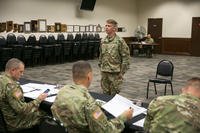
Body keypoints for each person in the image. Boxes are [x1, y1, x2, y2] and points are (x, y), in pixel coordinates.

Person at [51, 60, 133, 133]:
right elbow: (107, 130)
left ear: (73, 76)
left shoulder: (62, 91)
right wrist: (124, 117)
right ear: (89, 76)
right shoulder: (89, 104)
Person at [0, 58, 48, 132]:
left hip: (5, 119)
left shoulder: (2, 79)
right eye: (20, 72)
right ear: (13, 70)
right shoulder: (11, 87)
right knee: (43, 113)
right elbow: (22, 110)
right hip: (15, 123)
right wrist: (39, 99)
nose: (22, 74)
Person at [99, 19, 130, 95]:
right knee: (105, 94)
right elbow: (101, 55)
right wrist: (100, 66)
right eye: (105, 25)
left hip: (115, 72)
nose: (106, 27)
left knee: (114, 95)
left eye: (108, 26)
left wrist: (122, 72)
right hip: (104, 72)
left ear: (114, 29)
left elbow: (126, 58)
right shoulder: (103, 41)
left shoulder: (120, 41)